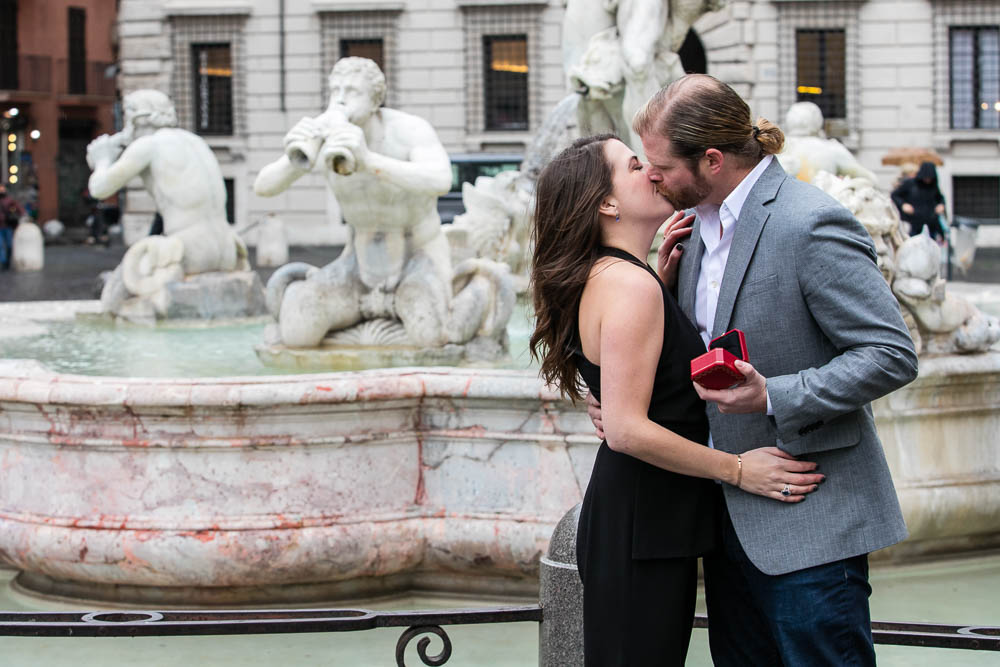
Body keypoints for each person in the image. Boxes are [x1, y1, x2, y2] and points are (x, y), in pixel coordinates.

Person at [588, 74, 919, 666]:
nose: (652, 176)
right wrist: (621, 397)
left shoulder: (810, 222)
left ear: (712, 159)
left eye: (660, 165)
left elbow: (891, 353)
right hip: (722, 528)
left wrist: (774, 396)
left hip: (809, 523)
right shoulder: (687, 233)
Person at [530, 134, 825, 666]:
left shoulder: (622, 277)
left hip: (646, 520)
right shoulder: (627, 285)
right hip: (644, 524)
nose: (654, 172)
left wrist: (661, 288)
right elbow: (624, 428)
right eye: (634, 165)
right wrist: (738, 469)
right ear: (607, 202)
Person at [891, 160, 947, 241]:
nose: (928, 180)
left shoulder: (933, 186)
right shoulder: (910, 183)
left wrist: (941, 205)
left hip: (931, 226)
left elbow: (940, 198)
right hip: (913, 225)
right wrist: (903, 204)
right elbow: (895, 195)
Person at [0, 184, 24, 270]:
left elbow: (20, 209)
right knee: (1, 245)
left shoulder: (10, 200)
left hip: (8, 225)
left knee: (9, 245)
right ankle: (3, 262)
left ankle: (7, 261)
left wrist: (21, 216)